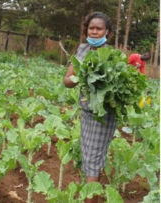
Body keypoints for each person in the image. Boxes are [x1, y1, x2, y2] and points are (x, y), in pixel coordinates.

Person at [63, 12, 115, 203]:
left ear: (106, 32)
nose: (94, 32)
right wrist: (79, 76)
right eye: (91, 28)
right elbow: (67, 80)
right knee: (90, 155)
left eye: (98, 28)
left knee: (92, 158)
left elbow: (116, 85)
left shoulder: (112, 54)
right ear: (86, 29)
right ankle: (93, 195)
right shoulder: (82, 50)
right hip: (87, 111)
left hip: (104, 113)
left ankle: (90, 198)